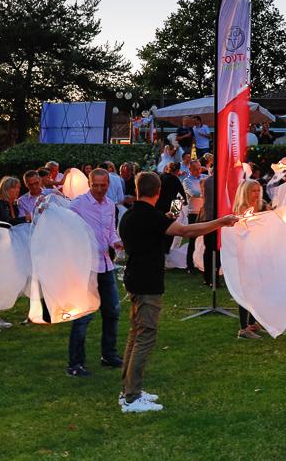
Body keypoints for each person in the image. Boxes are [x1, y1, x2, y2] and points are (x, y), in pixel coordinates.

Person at [118, 170, 239, 412]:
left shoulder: (131, 215)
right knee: (145, 336)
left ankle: (129, 390)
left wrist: (173, 210)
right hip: (147, 282)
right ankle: (131, 397)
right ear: (158, 192)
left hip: (134, 279)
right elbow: (185, 231)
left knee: (135, 334)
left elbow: (164, 223)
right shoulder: (150, 217)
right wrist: (221, 222)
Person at [67, 169, 123, 376]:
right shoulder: (79, 204)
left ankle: (108, 354)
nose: (99, 189)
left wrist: (116, 242)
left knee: (112, 312)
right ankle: (75, 364)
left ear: (108, 184)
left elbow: (110, 232)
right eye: (95, 185)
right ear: (89, 184)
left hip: (106, 265)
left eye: (103, 185)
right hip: (86, 268)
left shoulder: (110, 205)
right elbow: (64, 224)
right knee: (83, 316)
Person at [0, 176, 28, 334]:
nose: (18, 190)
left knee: (1, 283)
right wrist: (25, 218)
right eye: (14, 188)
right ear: (6, 189)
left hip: (5, 247)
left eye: (18, 187)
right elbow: (6, 223)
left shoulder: (11, 204)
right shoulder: (1, 203)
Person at [230, 180, 267, 339]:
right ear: (246, 192)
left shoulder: (261, 205)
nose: (257, 194)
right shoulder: (242, 209)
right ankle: (243, 328)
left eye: (258, 190)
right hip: (246, 253)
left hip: (259, 251)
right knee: (247, 290)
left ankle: (252, 323)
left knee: (257, 288)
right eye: (253, 191)